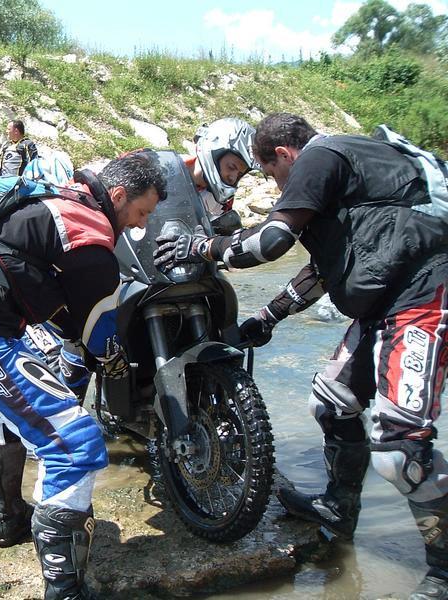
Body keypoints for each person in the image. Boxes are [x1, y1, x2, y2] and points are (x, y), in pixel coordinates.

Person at [153, 112, 448, 600]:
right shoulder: (350, 175)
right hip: (387, 305)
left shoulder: (320, 156)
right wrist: (268, 316)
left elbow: (271, 241)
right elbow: (325, 269)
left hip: (423, 299)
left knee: (400, 449)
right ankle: (338, 507)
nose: (274, 185)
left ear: (285, 155)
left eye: (270, 175)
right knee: (331, 400)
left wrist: (202, 246)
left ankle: (441, 568)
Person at [0, 153, 166, 600]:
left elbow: (57, 307)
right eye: (140, 212)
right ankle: (65, 591)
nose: (138, 226)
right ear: (119, 195)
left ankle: (10, 519)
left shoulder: (64, 198)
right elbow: (94, 332)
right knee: (77, 446)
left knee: (7, 406)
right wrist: (115, 361)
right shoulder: (91, 239)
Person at [54, 117, 257, 405]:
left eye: (240, 172)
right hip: (135, 266)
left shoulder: (222, 199)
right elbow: (109, 191)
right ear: (213, 152)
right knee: (80, 334)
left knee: (223, 312)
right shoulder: (154, 169)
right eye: (231, 167)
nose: (233, 177)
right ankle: (63, 414)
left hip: (186, 271)